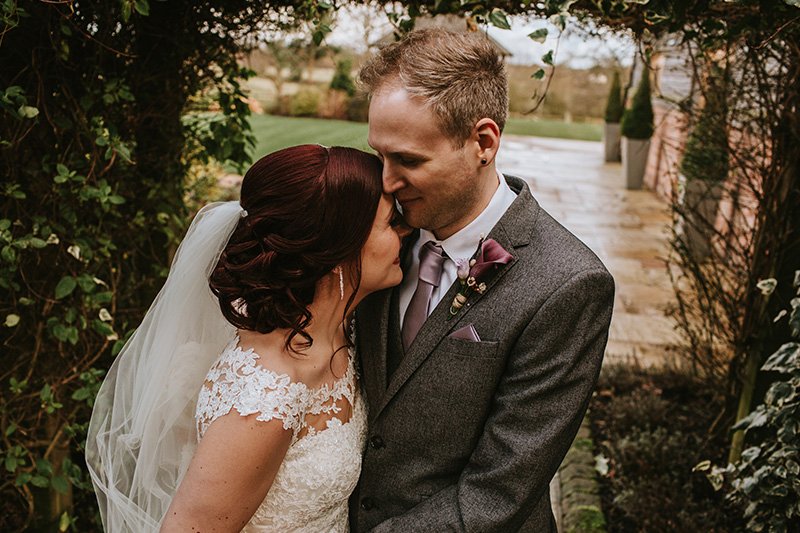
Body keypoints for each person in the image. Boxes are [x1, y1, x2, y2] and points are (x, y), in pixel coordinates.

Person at [350, 29, 616, 532]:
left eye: (407, 160)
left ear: (483, 142)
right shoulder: (376, 237)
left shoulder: (568, 284)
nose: (385, 182)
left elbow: (498, 491)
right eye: (379, 155)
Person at [86, 144, 409, 532]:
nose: (406, 233)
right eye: (391, 223)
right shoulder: (263, 399)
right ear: (339, 248)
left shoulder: (346, 330)